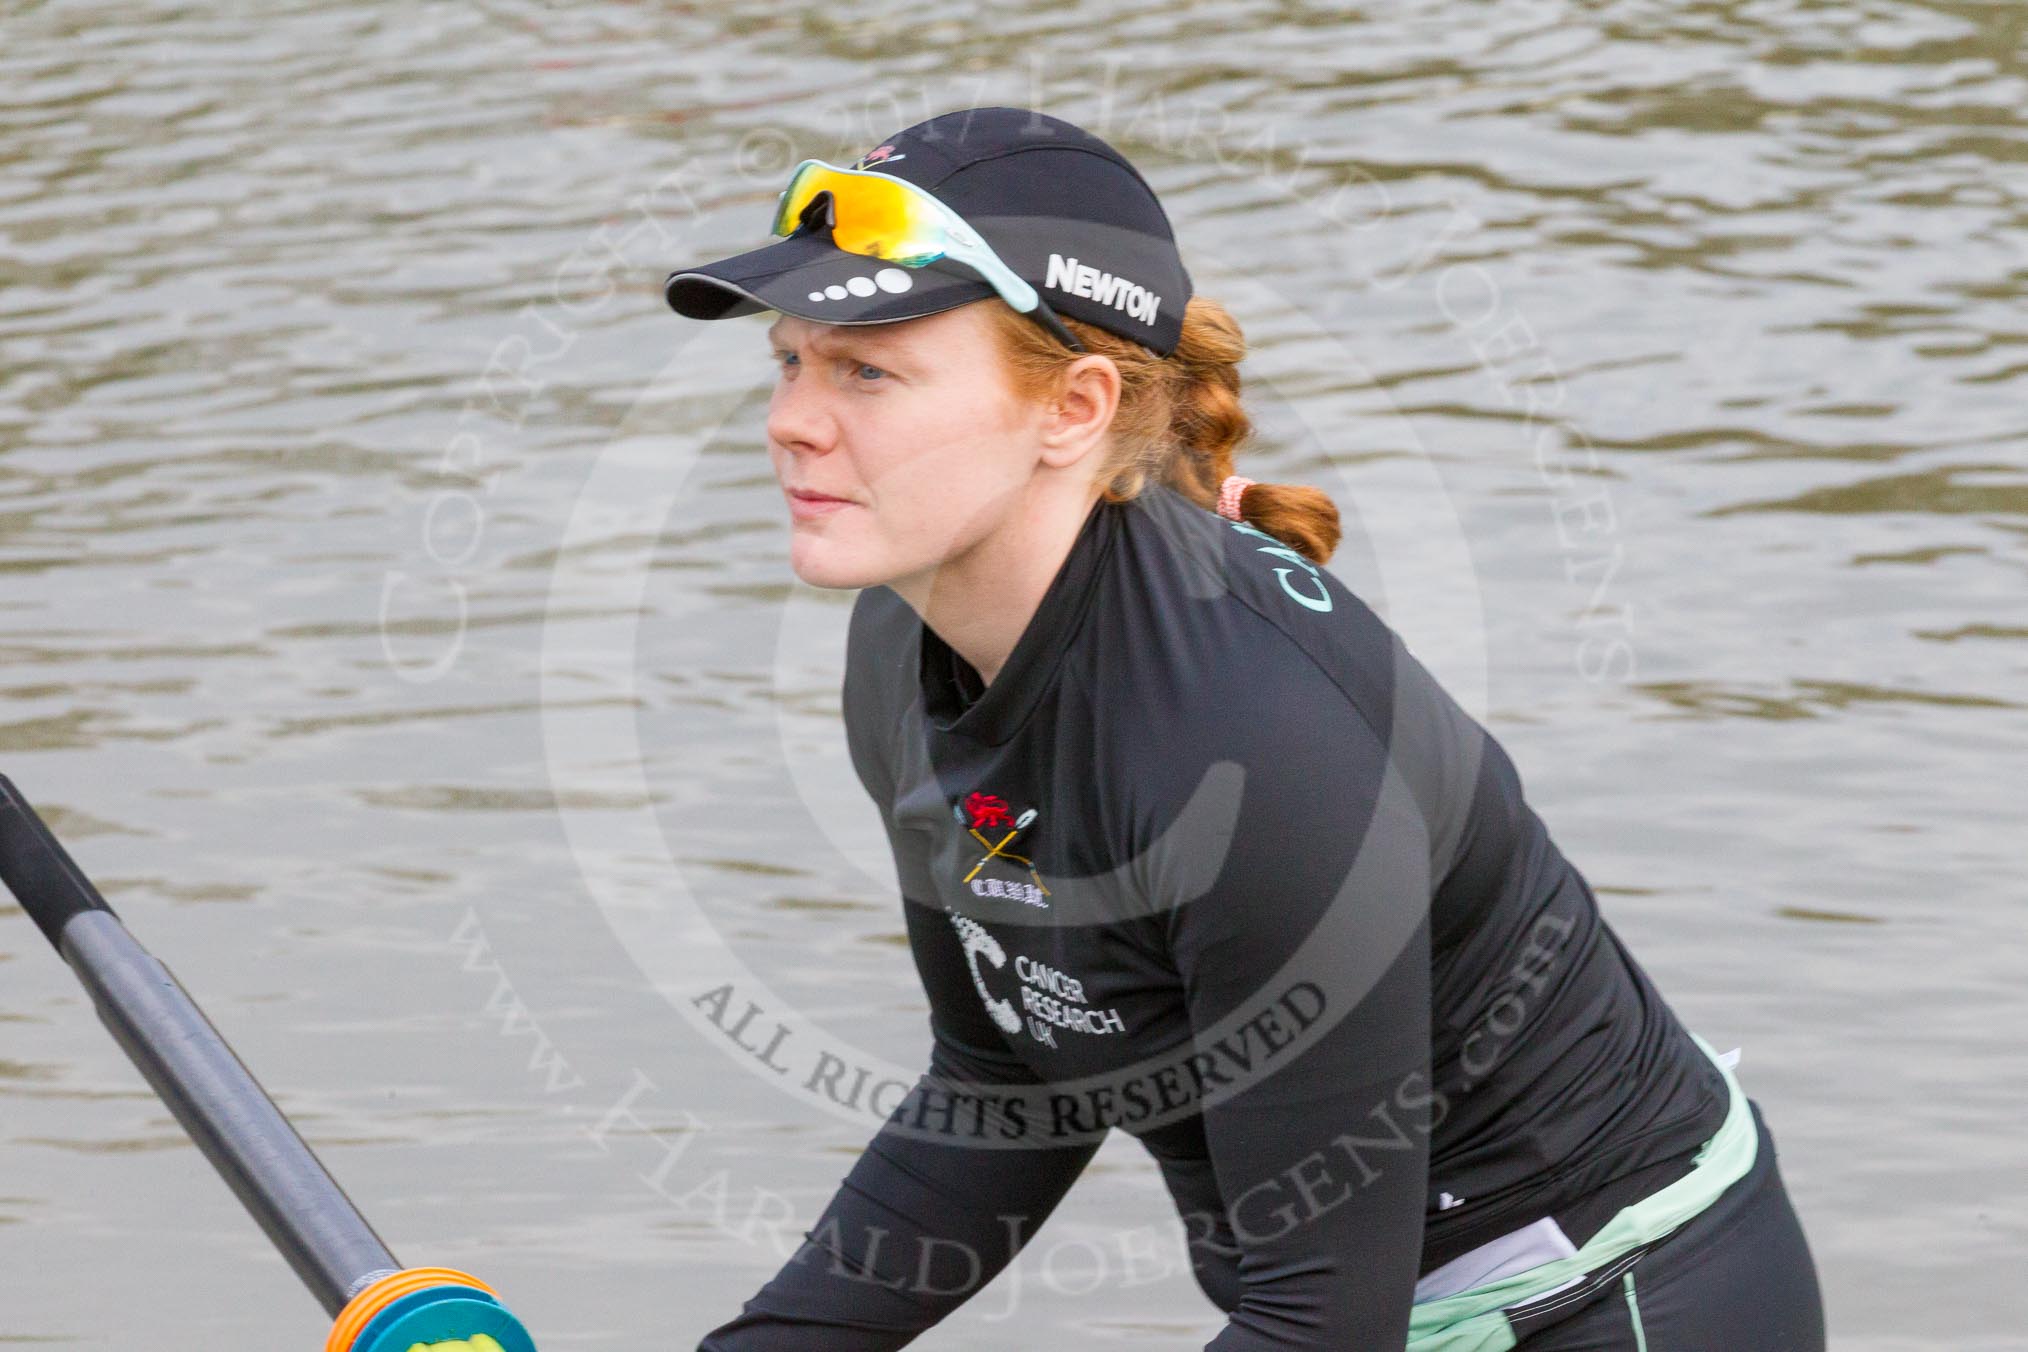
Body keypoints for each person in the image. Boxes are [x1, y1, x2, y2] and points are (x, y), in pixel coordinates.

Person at [662, 106, 1826, 1351]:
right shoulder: (906, 645)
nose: (791, 417)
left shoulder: (1257, 744)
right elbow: (1009, 1081)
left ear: (1074, 408)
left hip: (1614, 1299)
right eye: (792, 359)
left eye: (868, 370)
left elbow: (1320, 1319)